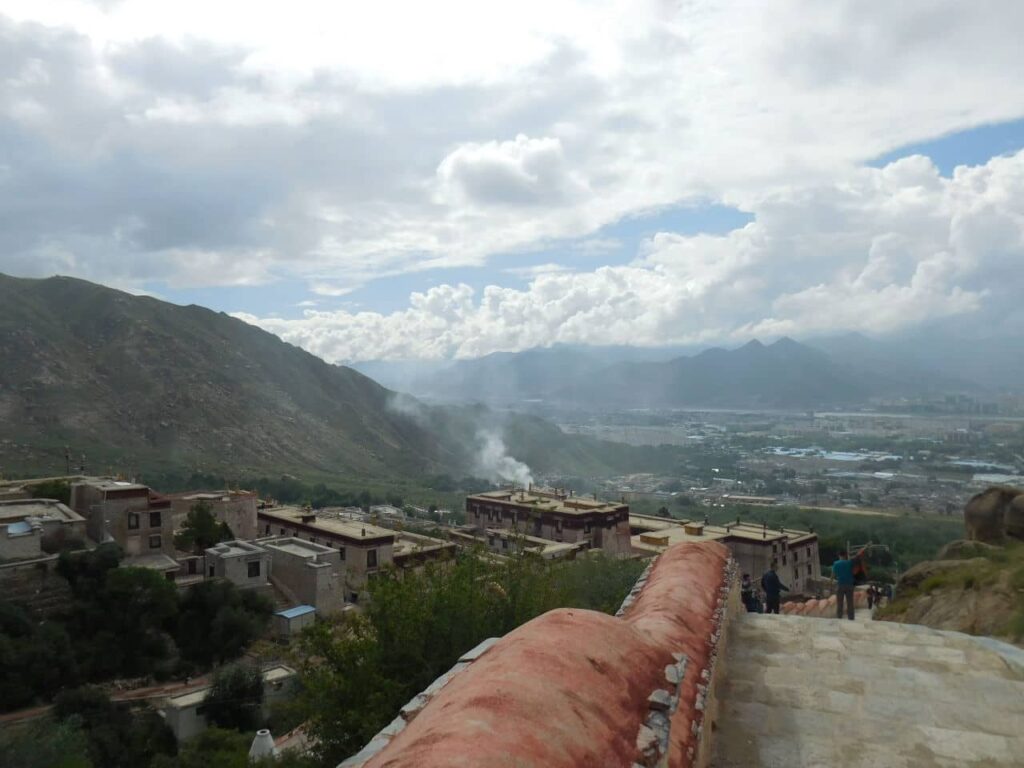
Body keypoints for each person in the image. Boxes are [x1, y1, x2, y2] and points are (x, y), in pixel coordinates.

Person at [832, 550, 861, 620]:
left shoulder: (836, 563)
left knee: (840, 602)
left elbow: (833, 574)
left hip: (840, 584)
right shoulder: (849, 562)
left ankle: (839, 617)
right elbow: (856, 557)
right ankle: (851, 617)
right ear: (845, 555)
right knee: (850, 602)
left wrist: (831, 582)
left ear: (839, 555)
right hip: (849, 585)